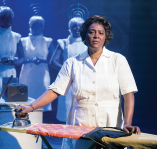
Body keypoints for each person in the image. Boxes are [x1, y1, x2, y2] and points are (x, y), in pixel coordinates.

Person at [16, 15, 141, 148]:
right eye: (91, 32)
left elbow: (128, 94)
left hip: (109, 126)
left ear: (106, 37)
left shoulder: (118, 60)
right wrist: (31, 107)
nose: (96, 36)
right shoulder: (72, 62)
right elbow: (55, 90)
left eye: (100, 33)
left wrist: (127, 123)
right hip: (81, 126)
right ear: (84, 35)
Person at [50, 17, 87, 122]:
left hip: (83, 78)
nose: (77, 28)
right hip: (67, 80)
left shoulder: (87, 42)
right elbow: (53, 61)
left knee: (82, 105)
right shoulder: (64, 42)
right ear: (70, 28)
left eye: (80, 26)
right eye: (74, 26)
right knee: (67, 106)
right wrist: (67, 69)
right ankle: (66, 134)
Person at [19, 16, 55, 112]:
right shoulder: (23, 41)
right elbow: (19, 59)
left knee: (41, 96)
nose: (37, 28)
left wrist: (43, 61)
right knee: (27, 98)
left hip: (42, 73)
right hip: (27, 73)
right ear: (30, 26)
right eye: (35, 25)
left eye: (40, 25)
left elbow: (54, 60)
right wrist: (30, 60)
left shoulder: (48, 41)